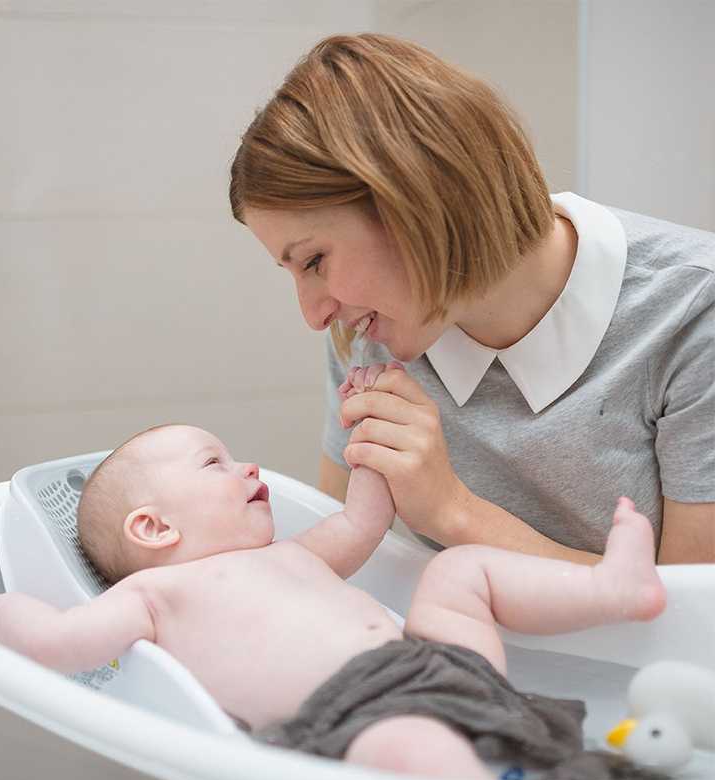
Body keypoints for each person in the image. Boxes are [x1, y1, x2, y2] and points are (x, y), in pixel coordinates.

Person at [0, 364, 668, 780]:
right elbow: (60, 644)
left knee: (461, 573)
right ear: (154, 528)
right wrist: (4, 612)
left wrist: (365, 432)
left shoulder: (291, 556)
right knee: (409, 748)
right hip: (353, 714)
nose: (247, 467)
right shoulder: (155, 596)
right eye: (214, 464)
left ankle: (608, 588)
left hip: (433, 663)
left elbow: (364, 521)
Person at [229, 32, 715, 565]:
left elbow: (693, 618)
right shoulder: (371, 325)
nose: (315, 316)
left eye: (315, 261)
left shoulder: (692, 310)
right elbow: (337, 560)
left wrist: (453, 511)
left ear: (413, 202)